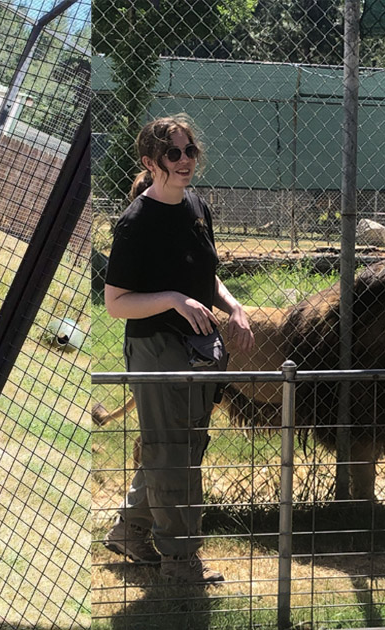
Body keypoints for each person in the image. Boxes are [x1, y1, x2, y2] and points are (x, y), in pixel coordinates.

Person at [101, 114, 253, 583]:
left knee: (183, 447)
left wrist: (233, 306)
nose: (185, 160)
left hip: (198, 348)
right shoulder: (135, 223)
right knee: (173, 454)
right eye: (174, 153)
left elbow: (203, 273)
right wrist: (171, 299)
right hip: (155, 350)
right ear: (150, 161)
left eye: (190, 151)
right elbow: (114, 304)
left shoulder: (196, 206)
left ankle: (129, 529)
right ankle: (180, 562)